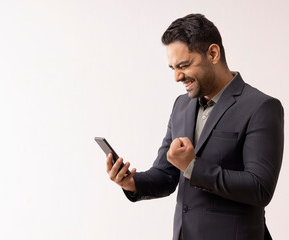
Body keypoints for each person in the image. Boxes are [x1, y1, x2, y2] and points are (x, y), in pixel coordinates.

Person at [106, 13, 284, 240]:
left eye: (184, 65)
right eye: (172, 68)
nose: (177, 77)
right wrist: (132, 182)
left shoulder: (261, 107)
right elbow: (167, 174)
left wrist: (192, 167)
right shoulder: (182, 106)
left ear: (213, 53)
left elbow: (260, 188)